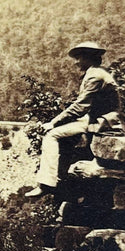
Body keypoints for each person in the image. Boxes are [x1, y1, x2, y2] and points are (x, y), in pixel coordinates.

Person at [25, 41, 122, 198]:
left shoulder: (95, 76)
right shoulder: (94, 73)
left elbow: (80, 107)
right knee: (63, 138)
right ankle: (58, 180)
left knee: (52, 135)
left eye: (79, 57)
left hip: (103, 122)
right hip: (94, 120)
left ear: (89, 57)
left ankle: (47, 184)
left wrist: (53, 122)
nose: (76, 62)